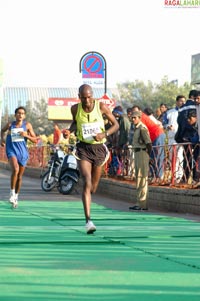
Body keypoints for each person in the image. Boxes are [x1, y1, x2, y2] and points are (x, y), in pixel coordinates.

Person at [63, 84, 119, 234]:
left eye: (89, 97)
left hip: (99, 149)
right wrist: (69, 131)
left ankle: (89, 196)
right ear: (79, 96)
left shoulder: (101, 107)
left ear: (92, 95)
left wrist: (104, 134)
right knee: (86, 181)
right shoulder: (75, 109)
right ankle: (88, 221)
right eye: (83, 98)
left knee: (93, 187)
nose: (87, 101)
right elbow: (75, 123)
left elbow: (116, 125)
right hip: (83, 148)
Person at [0, 106, 38, 207]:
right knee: (15, 170)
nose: (20, 115)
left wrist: (26, 135)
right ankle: (12, 193)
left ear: (24, 115)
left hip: (23, 152)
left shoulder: (27, 125)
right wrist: (2, 140)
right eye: (18, 113)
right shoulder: (10, 125)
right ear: (15, 115)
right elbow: (2, 131)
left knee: (20, 176)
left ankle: (16, 196)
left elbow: (35, 140)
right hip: (12, 150)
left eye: (22, 113)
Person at [129, 111, 152, 211]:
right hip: (137, 152)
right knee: (139, 177)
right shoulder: (137, 128)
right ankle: (139, 202)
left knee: (142, 178)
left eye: (135, 118)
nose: (133, 119)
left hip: (142, 152)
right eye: (132, 118)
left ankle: (142, 203)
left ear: (139, 118)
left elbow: (148, 143)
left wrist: (149, 155)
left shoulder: (142, 128)